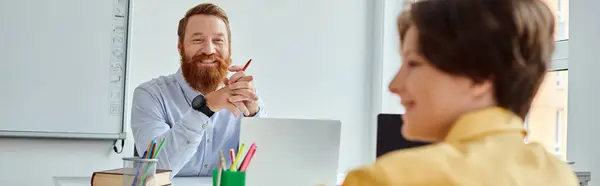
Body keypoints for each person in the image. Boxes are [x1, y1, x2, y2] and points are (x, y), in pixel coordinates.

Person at [342, 0, 578, 185]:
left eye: (413, 64)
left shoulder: (391, 178)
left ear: (479, 78)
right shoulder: (559, 176)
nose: (394, 85)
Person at [130, 3, 266, 177]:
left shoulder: (246, 96)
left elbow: (265, 172)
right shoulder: (150, 95)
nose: (209, 50)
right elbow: (154, 172)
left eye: (218, 40)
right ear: (180, 47)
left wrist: (254, 117)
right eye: (197, 40)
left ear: (229, 48)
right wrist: (205, 108)